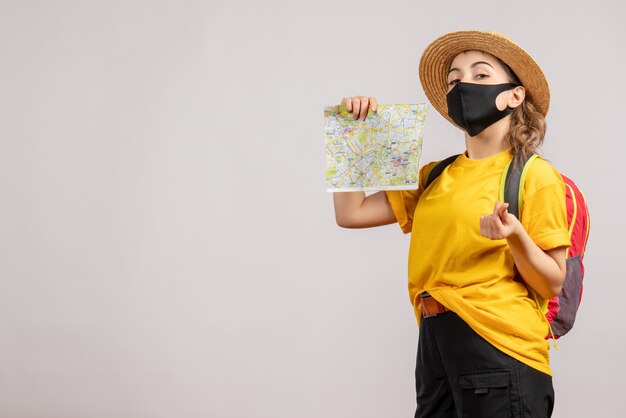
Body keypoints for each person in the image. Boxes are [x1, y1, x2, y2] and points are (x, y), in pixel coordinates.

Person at [332, 31, 571, 417]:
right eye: (454, 80)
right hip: (435, 341)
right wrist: (351, 135)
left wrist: (514, 236)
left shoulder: (534, 175)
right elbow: (350, 214)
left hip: (500, 346)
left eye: (480, 75)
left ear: (515, 95)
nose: (464, 86)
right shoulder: (435, 175)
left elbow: (551, 281)